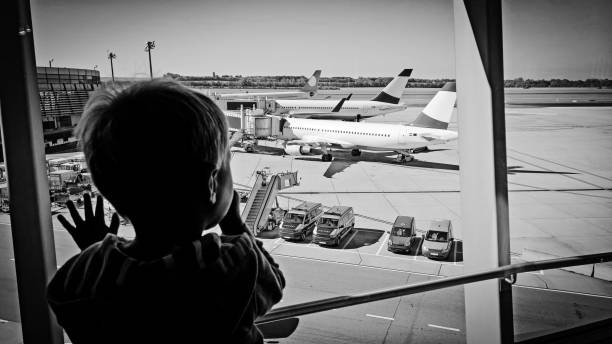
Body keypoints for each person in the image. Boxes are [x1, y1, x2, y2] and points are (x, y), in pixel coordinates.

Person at [47, 80, 285, 344]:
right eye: (227, 165)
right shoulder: (228, 265)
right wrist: (234, 223)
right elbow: (272, 285)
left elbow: (79, 300)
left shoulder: (82, 276)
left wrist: (96, 252)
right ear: (210, 185)